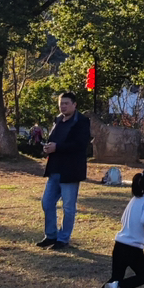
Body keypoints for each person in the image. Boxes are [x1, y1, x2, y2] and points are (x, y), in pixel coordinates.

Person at [36, 92, 92, 250]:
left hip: (70, 170)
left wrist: (57, 147)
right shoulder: (58, 120)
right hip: (54, 169)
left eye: (66, 103)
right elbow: (54, 140)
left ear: (74, 105)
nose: (63, 106)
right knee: (47, 203)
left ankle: (63, 239)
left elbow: (80, 145)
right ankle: (50, 236)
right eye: (61, 103)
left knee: (68, 207)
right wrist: (48, 147)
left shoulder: (82, 121)